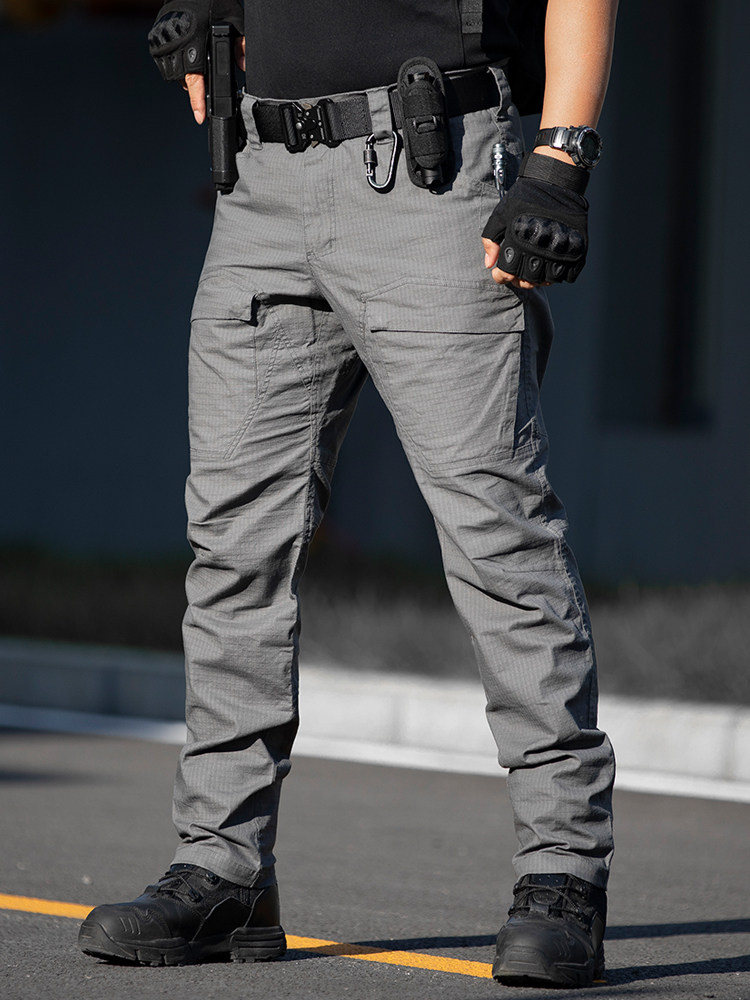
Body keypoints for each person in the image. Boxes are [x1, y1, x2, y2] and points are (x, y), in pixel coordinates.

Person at [78, 0, 619, 988]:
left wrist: (561, 158)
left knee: (498, 538)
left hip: (435, 171)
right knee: (233, 546)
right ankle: (224, 865)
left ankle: (563, 872)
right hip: (261, 182)